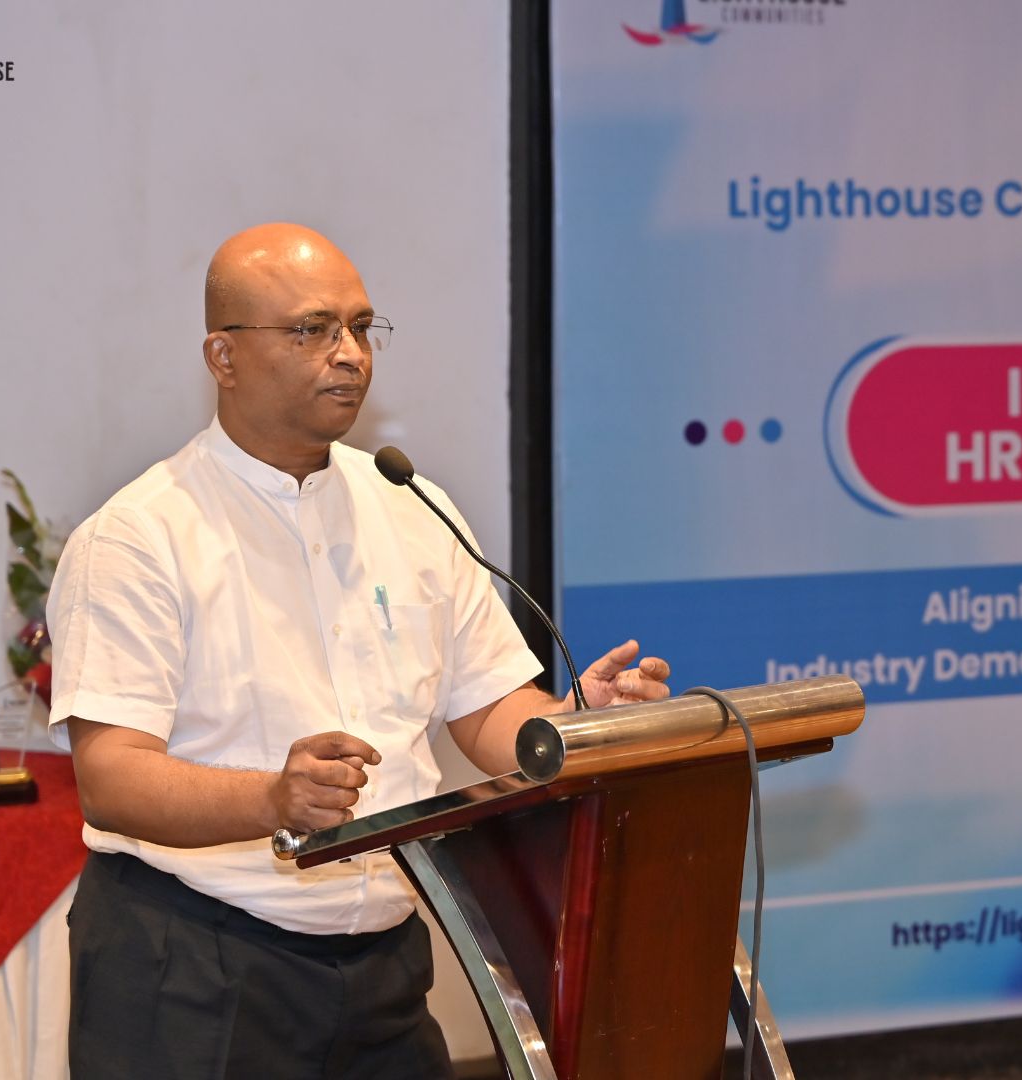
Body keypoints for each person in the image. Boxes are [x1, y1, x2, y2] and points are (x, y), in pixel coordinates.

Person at [45, 222, 670, 1077]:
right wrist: (272, 798)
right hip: (193, 964)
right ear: (223, 357)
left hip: (383, 967)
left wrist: (574, 725)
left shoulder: (408, 505)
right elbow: (111, 777)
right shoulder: (140, 536)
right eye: (312, 330)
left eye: (361, 327)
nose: (350, 354)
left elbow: (488, 709)